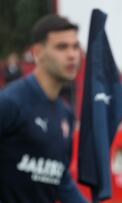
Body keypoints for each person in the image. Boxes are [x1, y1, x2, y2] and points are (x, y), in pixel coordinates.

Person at [0, 15, 87, 203]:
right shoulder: (10, 103)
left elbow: (58, 176)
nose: (72, 55)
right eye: (61, 47)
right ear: (37, 52)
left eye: (75, 46)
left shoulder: (66, 114)